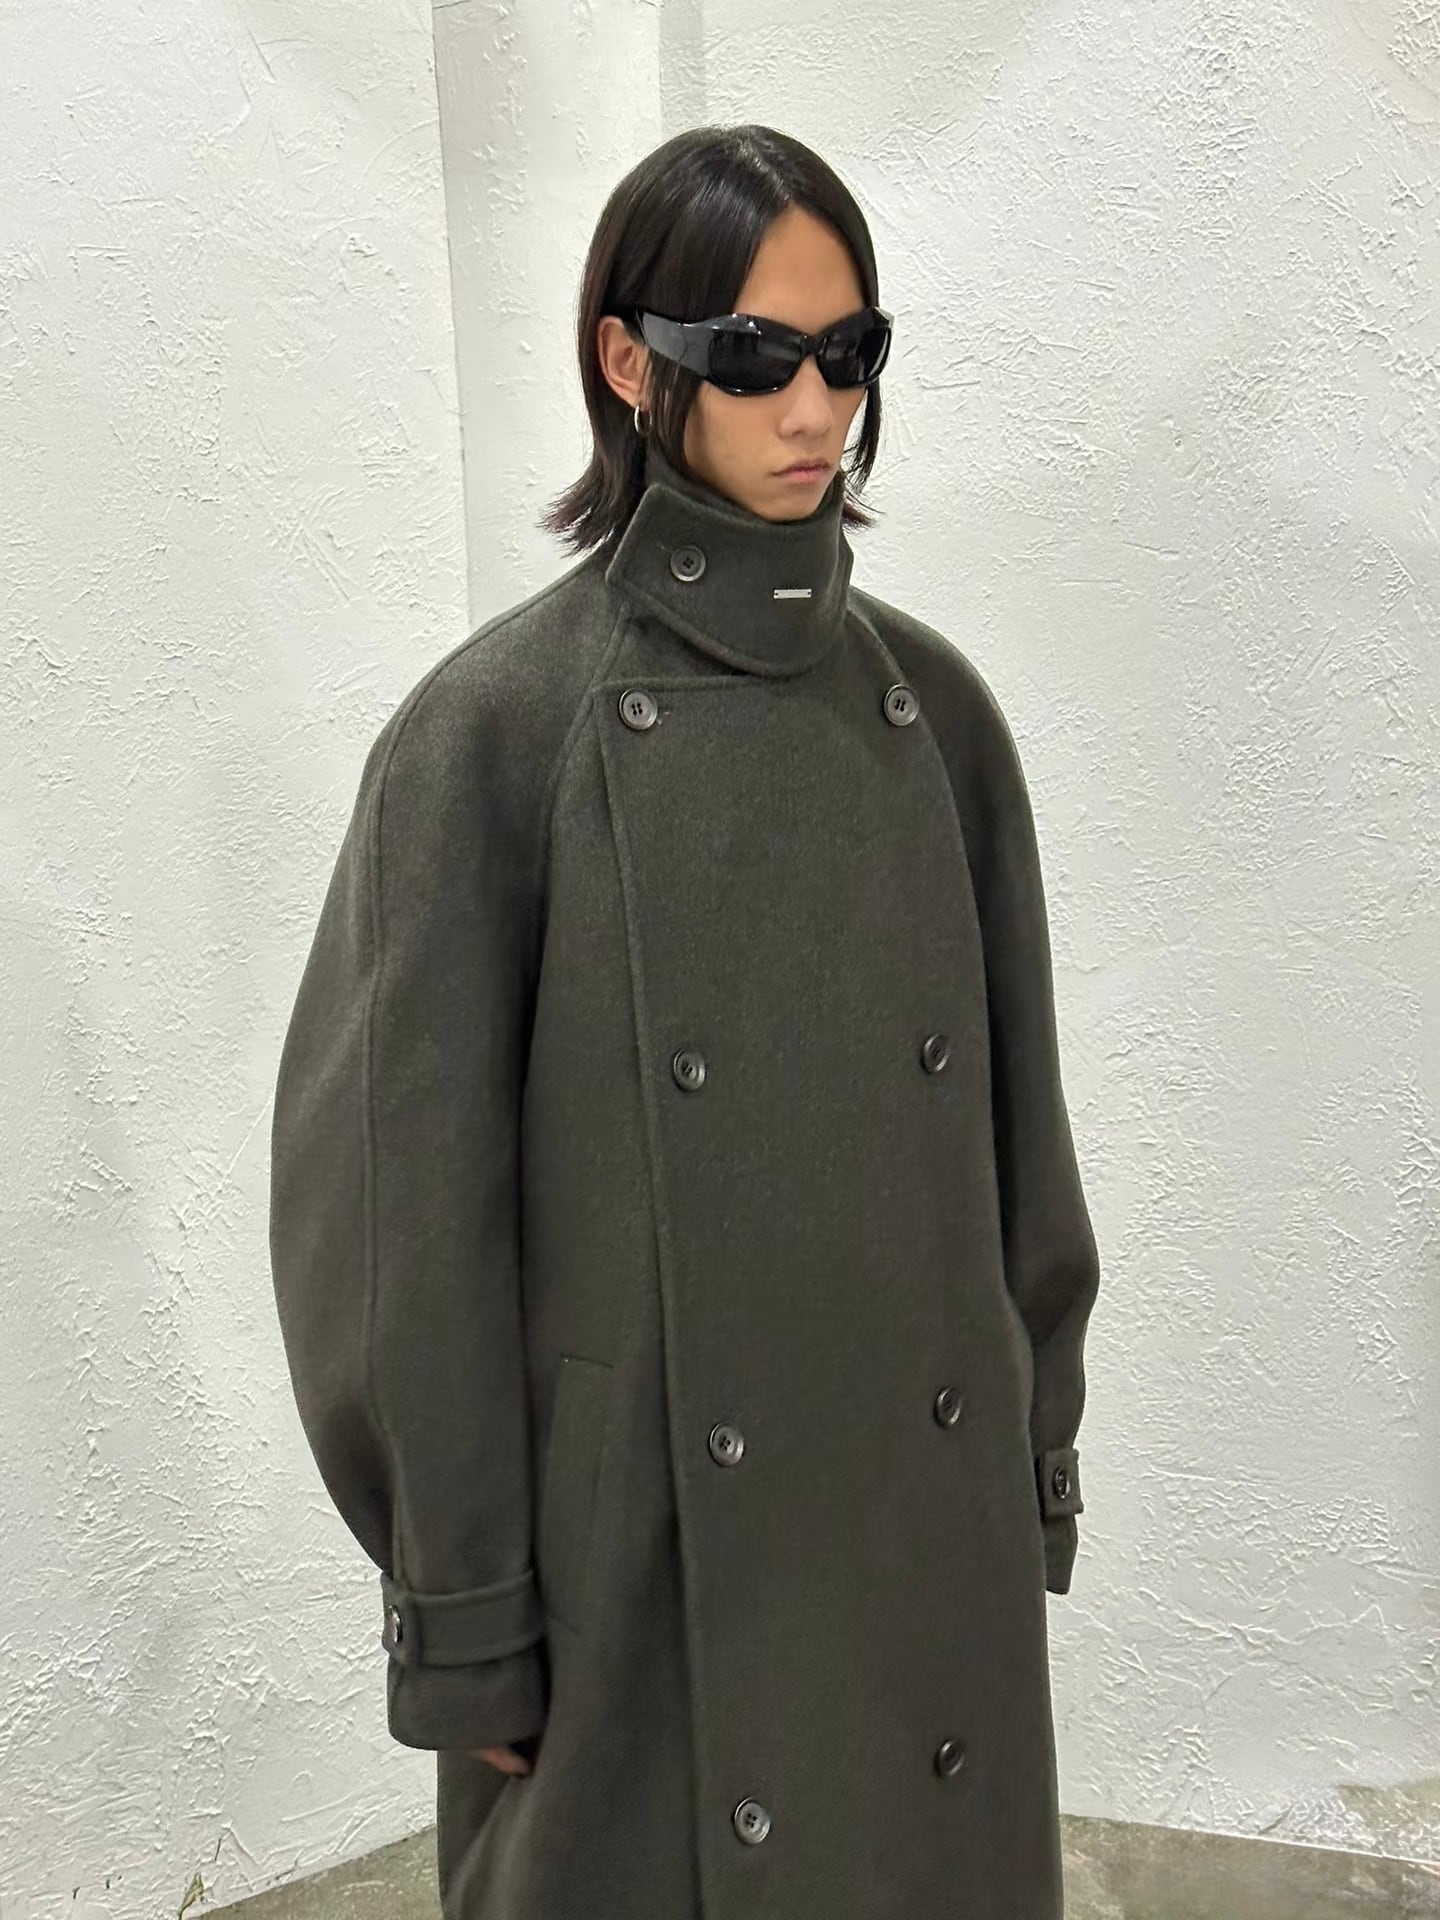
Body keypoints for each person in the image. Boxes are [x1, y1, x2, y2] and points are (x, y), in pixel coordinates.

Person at [269, 121, 1100, 1920]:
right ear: (631, 362)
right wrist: (466, 1604)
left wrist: (1026, 1459)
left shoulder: (939, 716)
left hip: (915, 1532)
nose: (812, 408)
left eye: (848, 354)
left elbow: (1019, 1151)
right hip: (634, 1570)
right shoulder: (494, 735)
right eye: (753, 357)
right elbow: (398, 1238)